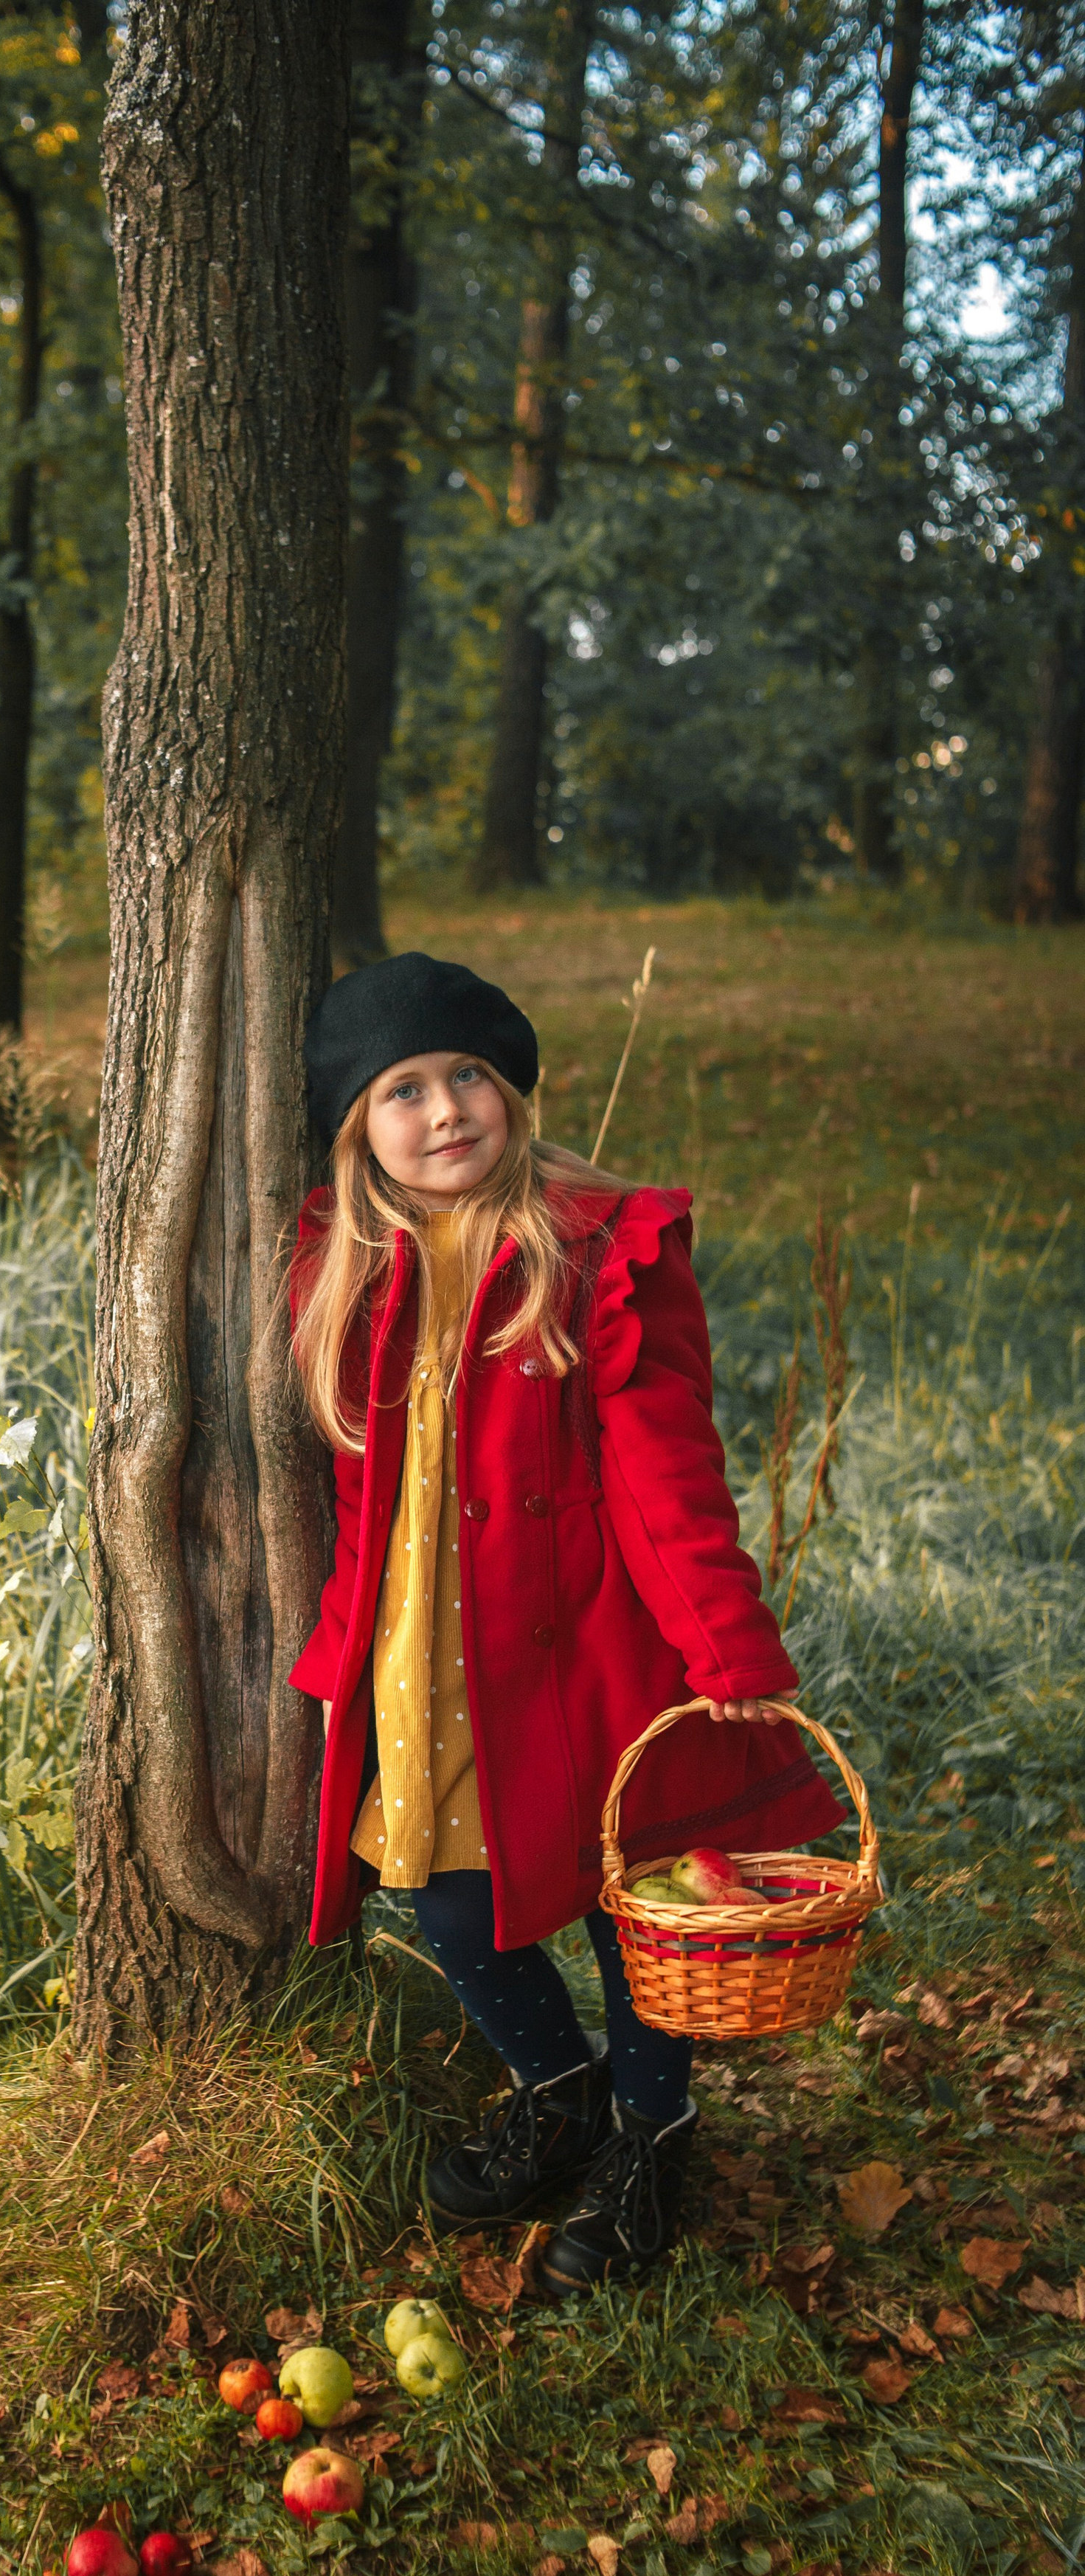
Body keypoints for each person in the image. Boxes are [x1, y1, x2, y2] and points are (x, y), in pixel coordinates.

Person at [288, 955, 842, 2290]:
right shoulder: (350, 1268)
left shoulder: (598, 1248)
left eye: (467, 1073)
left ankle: (654, 2132)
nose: (443, 1110)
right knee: (442, 1891)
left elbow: (668, 1471)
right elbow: (367, 1493)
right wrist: (337, 1648)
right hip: (432, 1655)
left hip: (597, 1642)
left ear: (513, 1089)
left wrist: (727, 1643)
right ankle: (560, 2088)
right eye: (402, 1090)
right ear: (361, 1128)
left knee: (624, 1898)